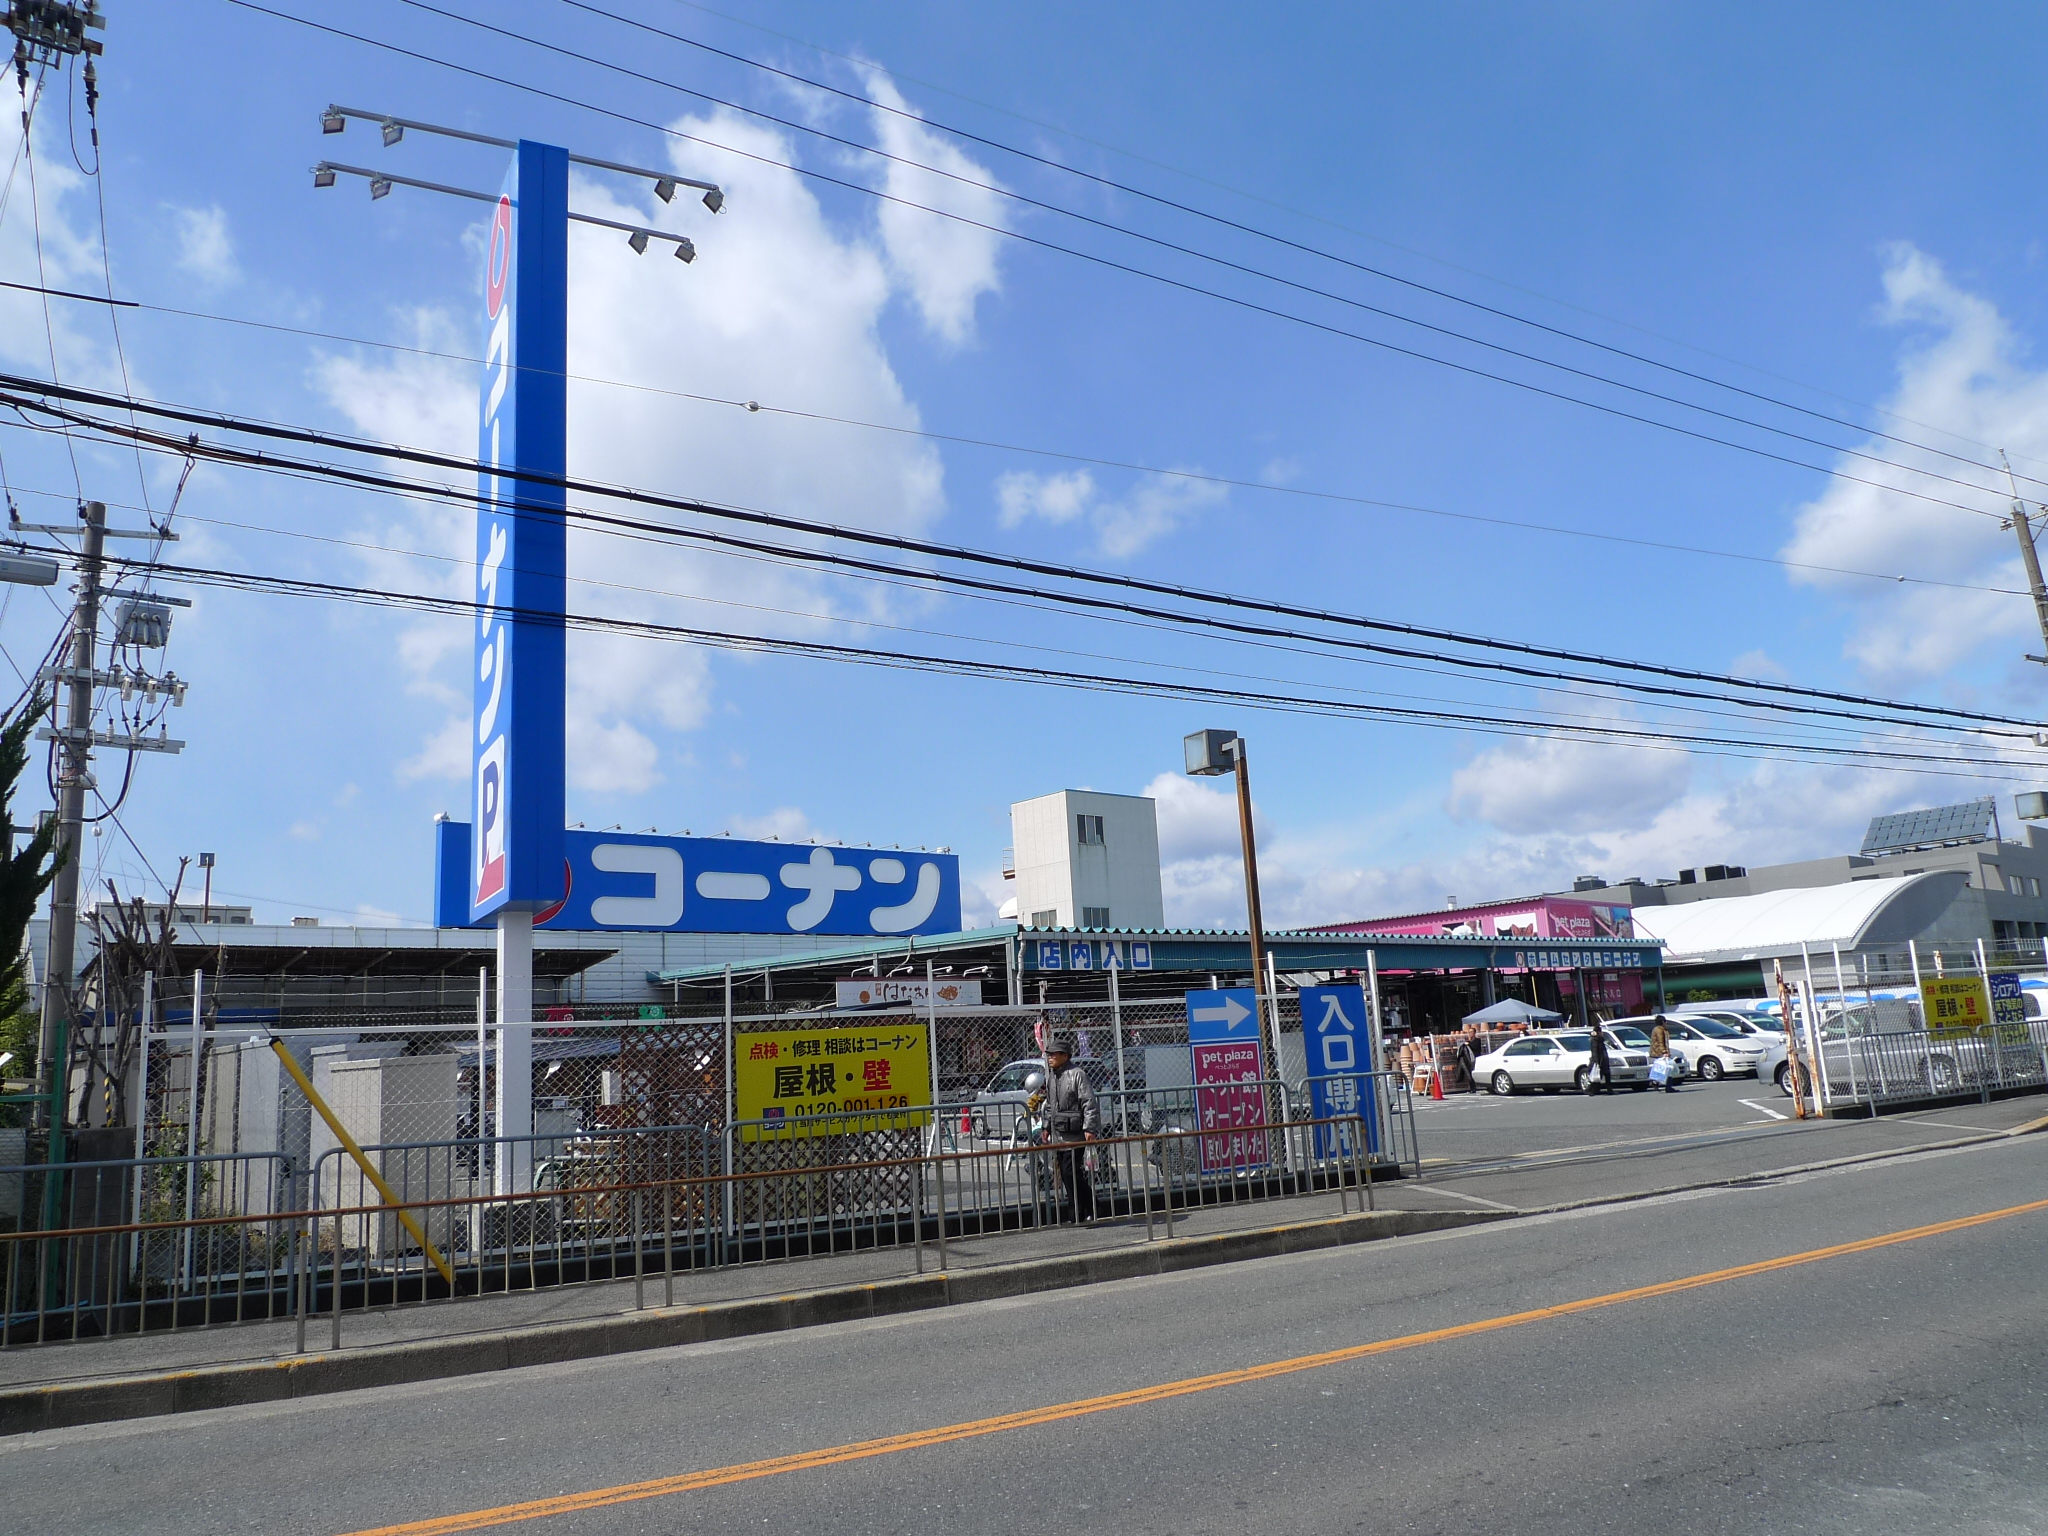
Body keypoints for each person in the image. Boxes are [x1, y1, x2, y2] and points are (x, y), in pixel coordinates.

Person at [1042, 1031, 1100, 1221]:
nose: (1050, 1057)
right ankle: (1081, 1211)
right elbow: (1050, 1105)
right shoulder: (1052, 1077)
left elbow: (1088, 1102)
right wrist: (1046, 1126)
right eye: (1049, 1054)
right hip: (1059, 1133)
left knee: (1070, 1172)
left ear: (1065, 1056)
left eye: (1054, 1054)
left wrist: (1089, 1128)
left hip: (1075, 1134)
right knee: (1068, 1175)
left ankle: (1086, 1209)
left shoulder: (1077, 1074)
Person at [1650, 1016, 1680, 1093]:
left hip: (1658, 1052)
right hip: (1660, 1053)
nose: (1666, 1023)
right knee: (1668, 1069)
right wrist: (1664, 1052)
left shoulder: (1659, 1029)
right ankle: (1667, 1087)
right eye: (1665, 1021)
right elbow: (1660, 1042)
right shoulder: (1659, 1030)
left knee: (1662, 1069)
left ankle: (1656, 1082)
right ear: (1662, 1022)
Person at [1584, 1016, 1613, 1095]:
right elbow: (1595, 1052)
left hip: (1603, 1061)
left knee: (1607, 1075)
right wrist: (1596, 1062)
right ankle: (1590, 1090)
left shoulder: (1600, 1040)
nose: (1602, 1033)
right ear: (1598, 1032)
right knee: (1596, 1077)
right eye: (1601, 1032)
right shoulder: (1595, 1041)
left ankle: (1609, 1090)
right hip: (1599, 1061)